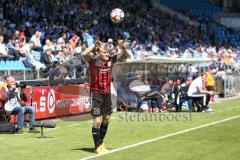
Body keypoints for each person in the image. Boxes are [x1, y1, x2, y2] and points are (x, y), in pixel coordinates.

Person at [83, 39, 130, 154]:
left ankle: (101, 142)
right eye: (104, 52)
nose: (107, 54)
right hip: (96, 94)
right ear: (99, 52)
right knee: (97, 120)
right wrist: (94, 46)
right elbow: (84, 54)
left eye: (108, 52)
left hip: (107, 94)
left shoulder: (110, 59)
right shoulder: (93, 60)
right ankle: (97, 147)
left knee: (107, 119)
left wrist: (124, 48)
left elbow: (126, 56)